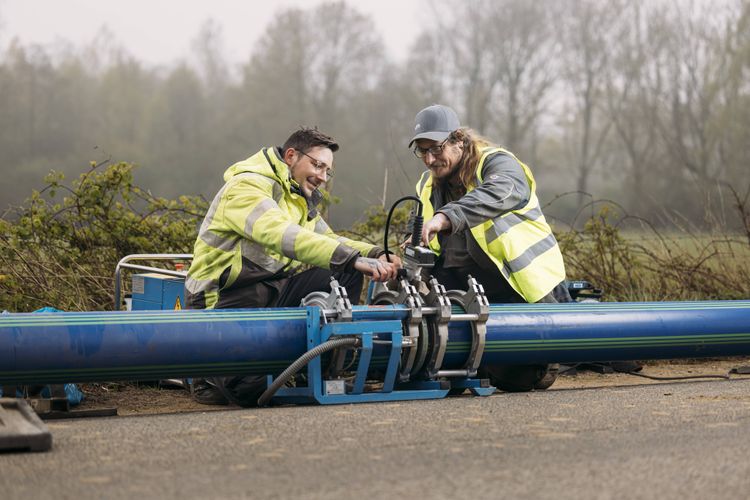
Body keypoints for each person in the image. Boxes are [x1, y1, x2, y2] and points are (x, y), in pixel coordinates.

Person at [185, 126, 401, 405]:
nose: (323, 177)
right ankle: (210, 377)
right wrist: (351, 258)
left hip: (269, 291)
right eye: (317, 165)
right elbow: (281, 234)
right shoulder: (247, 187)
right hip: (224, 296)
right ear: (291, 156)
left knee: (345, 272)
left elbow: (328, 239)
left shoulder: (296, 194)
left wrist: (375, 253)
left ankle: (322, 369)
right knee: (250, 392)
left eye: (328, 171)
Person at [409, 104, 570, 391]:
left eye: (436, 148)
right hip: (462, 288)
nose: (430, 159)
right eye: (422, 151)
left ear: (459, 139)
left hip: (518, 284)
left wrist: (446, 217)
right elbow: (424, 237)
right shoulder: (427, 184)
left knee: (524, 378)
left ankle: (569, 352)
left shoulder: (496, 164)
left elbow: (499, 192)